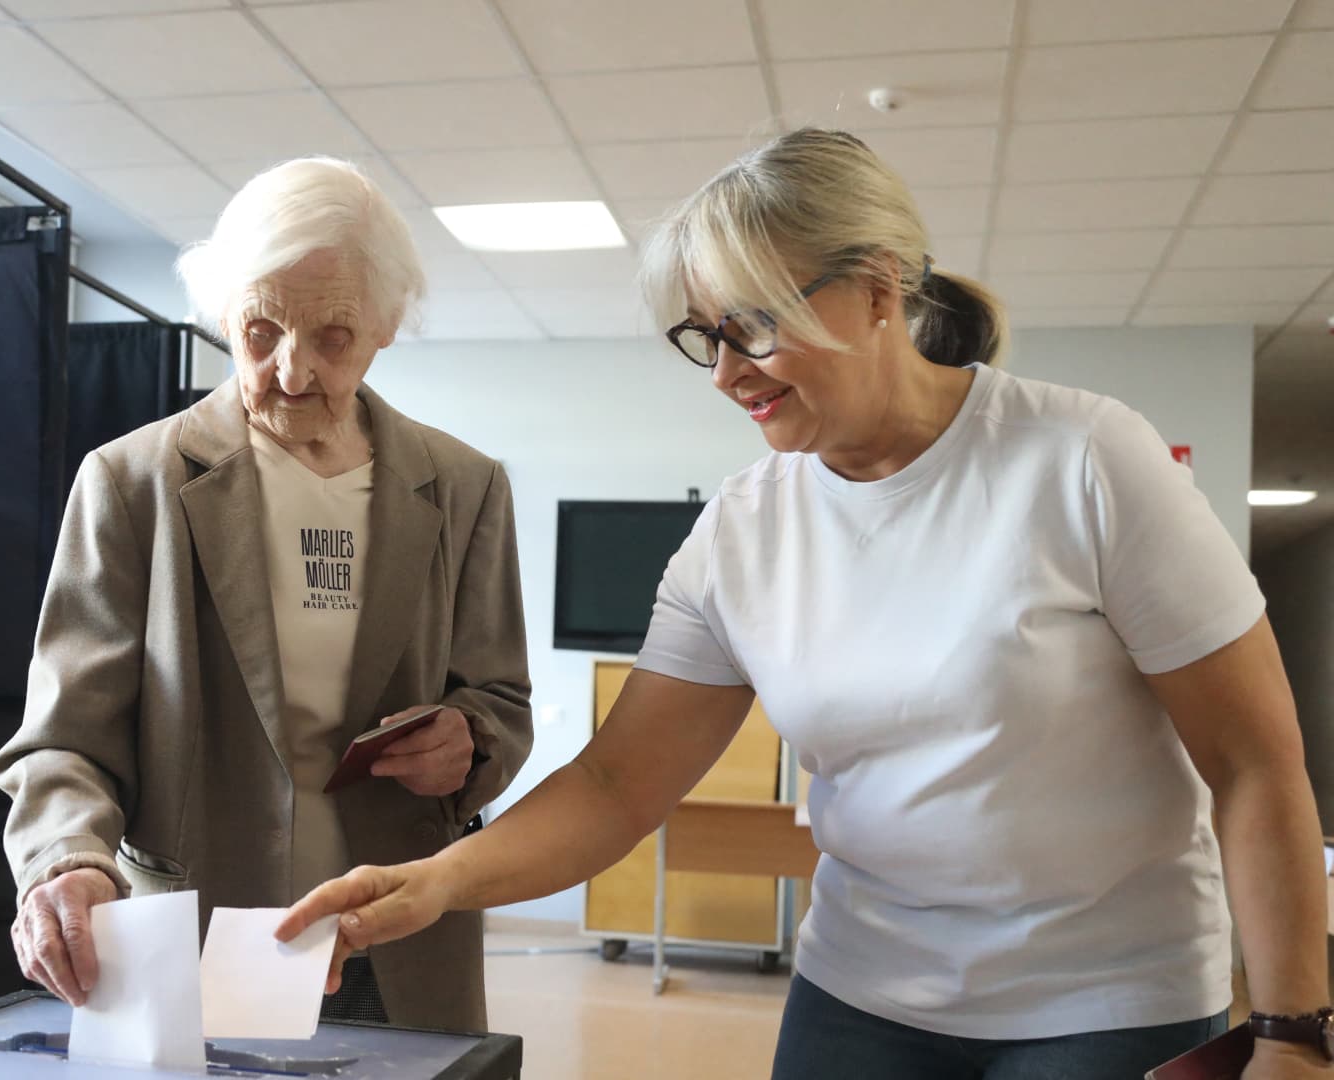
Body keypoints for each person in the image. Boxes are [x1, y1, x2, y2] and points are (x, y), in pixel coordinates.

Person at [277, 129, 1331, 1079]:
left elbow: (1252, 762)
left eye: (754, 328)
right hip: (864, 992)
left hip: (1105, 1001)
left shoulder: (1086, 462)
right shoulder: (744, 532)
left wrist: (1293, 1034)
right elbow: (614, 782)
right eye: (705, 336)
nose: (727, 371)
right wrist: (439, 880)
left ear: (878, 290)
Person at [0, 157, 533, 1033]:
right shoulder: (133, 483)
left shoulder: (464, 487)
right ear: (220, 314)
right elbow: (65, 737)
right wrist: (67, 860)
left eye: (333, 336)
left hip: (395, 926)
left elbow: (502, 701)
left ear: (386, 327)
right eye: (259, 331)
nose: (291, 371)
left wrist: (470, 746)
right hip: (196, 928)